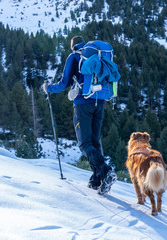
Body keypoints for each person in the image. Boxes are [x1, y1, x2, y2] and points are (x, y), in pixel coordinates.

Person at [42, 36, 117, 195]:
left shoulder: (74, 56)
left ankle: (105, 172)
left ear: (72, 45)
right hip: (100, 101)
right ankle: (97, 180)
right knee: (95, 141)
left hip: (83, 103)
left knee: (84, 143)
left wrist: (48, 88)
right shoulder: (96, 55)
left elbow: (64, 83)